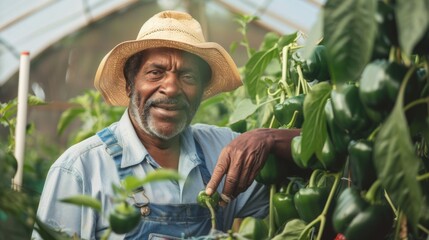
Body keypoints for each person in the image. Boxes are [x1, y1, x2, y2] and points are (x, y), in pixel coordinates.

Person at [32, 10, 300, 239]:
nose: (171, 88)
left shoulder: (222, 150)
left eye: (187, 76)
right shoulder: (81, 170)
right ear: (129, 82)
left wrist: (269, 138)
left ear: (201, 90)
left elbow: (322, 168)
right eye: (155, 73)